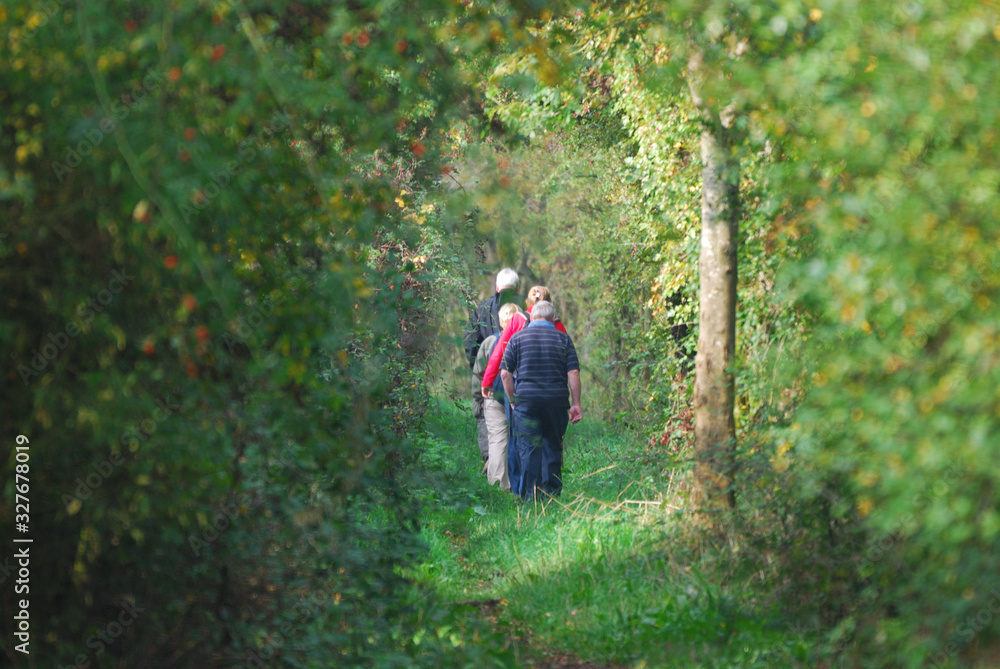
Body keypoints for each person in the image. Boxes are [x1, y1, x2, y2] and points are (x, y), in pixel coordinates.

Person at [499, 301, 582, 500]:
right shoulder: (564, 339)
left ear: (532, 317)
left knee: (527, 450)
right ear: (553, 319)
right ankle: (551, 498)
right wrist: (576, 404)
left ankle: (531, 499)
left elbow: (504, 374)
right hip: (556, 402)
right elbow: (573, 372)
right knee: (552, 446)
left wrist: (512, 400)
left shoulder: (517, 339)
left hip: (526, 403)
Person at [465, 268, 518, 464]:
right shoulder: (524, 309)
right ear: (517, 287)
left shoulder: (482, 309)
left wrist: (478, 367)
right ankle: (514, 466)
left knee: (483, 414)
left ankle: (489, 460)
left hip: (488, 374)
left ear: (496, 287)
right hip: (516, 375)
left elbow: (469, 341)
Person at [474, 302, 522, 489]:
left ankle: (497, 485)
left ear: (501, 321)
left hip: (493, 397)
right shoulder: (523, 339)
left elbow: (478, 373)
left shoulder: (489, 342)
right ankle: (518, 484)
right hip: (517, 397)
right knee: (517, 439)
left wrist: (478, 399)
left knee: (497, 440)